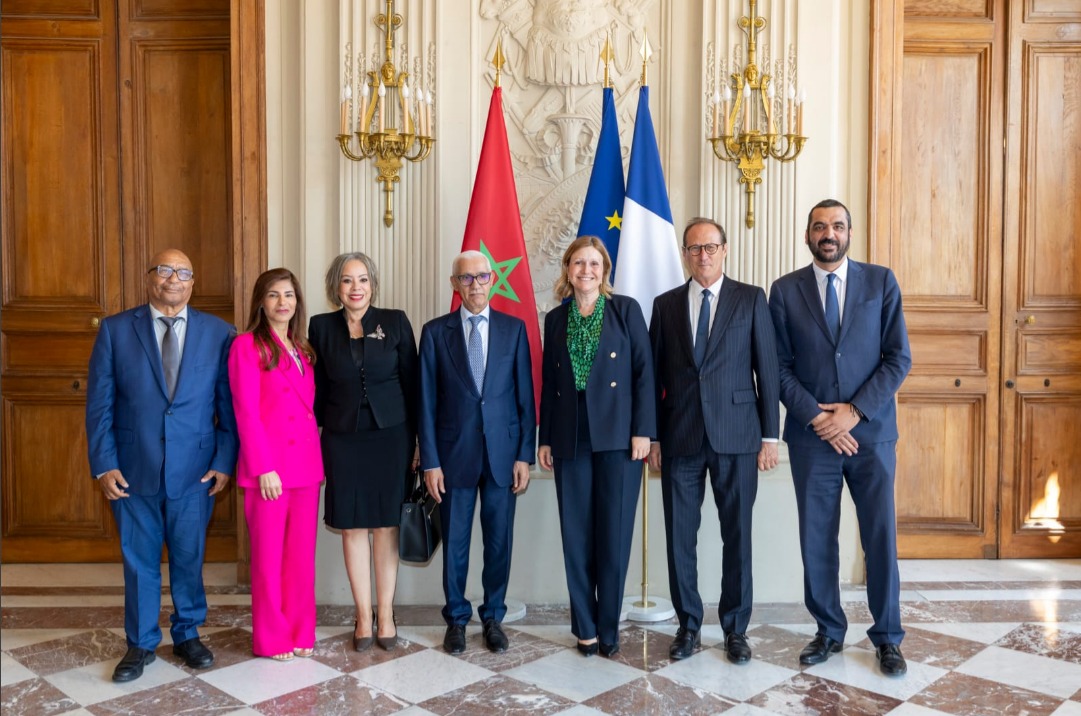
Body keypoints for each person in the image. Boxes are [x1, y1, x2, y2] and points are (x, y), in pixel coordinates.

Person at [768, 199, 912, 676]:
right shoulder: (785, 291)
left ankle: (888, 637)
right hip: (813, 439)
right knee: (817, 539)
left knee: (880, 537)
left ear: (850, 232)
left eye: (837, 226)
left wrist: (854, 412)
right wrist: (818, 417)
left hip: (871, 436)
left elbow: (898, 358)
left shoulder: (880, 281)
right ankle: (828, 631)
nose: (828, 233)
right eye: (819, 226)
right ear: (807, 234)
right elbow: (778, 368)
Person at [86, 248, 238, 683]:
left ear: (193, 282)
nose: (174, 278)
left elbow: (228, 407)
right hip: (132, 470)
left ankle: (188, 633)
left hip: (197, 471)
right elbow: (99, 405)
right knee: (139, 560)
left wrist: (225, 460)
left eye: (184, 272)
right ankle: (140, 643)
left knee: (190, 557)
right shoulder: (116, 330)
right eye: (165, 270)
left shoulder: (218, 332)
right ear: (149, 277)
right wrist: (103, 464)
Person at [648, 217, 780, 664]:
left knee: (736, 536)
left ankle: (735, 629)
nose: (702, 256)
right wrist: (653, 438)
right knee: (680, 538)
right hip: (679, 437)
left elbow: (768, 370)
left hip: (739, 437)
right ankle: (688, 626)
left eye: (710, 247)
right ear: (685, 255)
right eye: (694, 249)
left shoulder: (751, 299)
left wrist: (770, 436)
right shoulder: (664, 306)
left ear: (725, 250)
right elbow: (652, 380)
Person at [537, 236, 655, 658]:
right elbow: (550, 386)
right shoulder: (555, 318)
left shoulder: (626, 311)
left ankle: (609, 629)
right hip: (571, 438)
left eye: (594, 264)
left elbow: (644, 374)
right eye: (578, 263)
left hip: (619, 439)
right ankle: (584, 628)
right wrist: (545, 438)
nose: (586, 271)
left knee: (614, 533)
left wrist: (643, 431)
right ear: (567, 269)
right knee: (577, 535)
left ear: (605, 270)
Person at [418, 250, 535, 655]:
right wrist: (429, 461)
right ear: (455, 284)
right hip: (453, 458)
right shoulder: (434, 333)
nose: (475, 285)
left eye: (482, 277)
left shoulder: (514, 329)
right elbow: (426, 405)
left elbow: (525, 399)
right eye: (466, 279)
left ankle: (493, 618)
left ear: (493, 280)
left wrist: (525, 455)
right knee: (456, 543)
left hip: (504, 457)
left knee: (499, 542)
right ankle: (455, 619)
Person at [309, 252, 418, 652]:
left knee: (387, 526)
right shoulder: (320, 327)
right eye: (347, 281)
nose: (356, 288)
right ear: (335, 287)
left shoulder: (395, 321)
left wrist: (419, 441)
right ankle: (363, 615)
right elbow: (316, 388)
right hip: (342, 438)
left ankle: (386, 613)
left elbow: (413, 383)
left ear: (373, 284)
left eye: (363, 280)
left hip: (392, 437)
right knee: (352, 526)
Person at [228, 268, 323, 661]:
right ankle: (271, 638)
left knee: (301, 557)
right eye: (273, 295)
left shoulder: (302, 349)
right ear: (261, 302)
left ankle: (301, 629)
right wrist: (263, 466)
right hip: (268, 470)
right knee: (268, 559)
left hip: (305, 467)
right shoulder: (246, 346)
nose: (282, 302)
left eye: (289, 294)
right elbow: (245, 412)